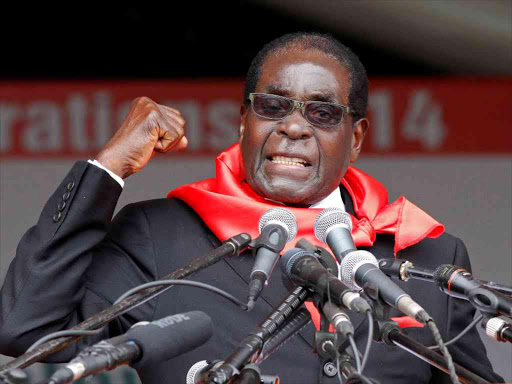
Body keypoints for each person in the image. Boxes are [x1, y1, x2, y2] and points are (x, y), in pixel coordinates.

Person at [0, 32, 503, 384]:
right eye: (272, 106)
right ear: (244, 123)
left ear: (356, 138)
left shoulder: (425, 253)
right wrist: (107, 168)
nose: (294, 127)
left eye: (323, 112)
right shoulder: (161, 237)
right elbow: (27, 328)